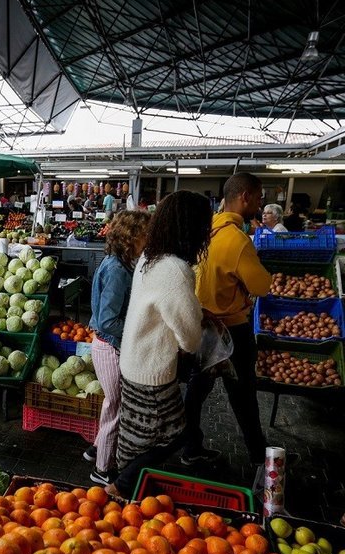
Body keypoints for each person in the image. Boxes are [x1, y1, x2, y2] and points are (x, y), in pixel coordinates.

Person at [105, 191, 213, 498]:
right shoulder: (175, 270)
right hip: (152, 370)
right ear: (192, 227)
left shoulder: (148, 258)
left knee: (137, 434)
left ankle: (121, 485)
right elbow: (190, 339)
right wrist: (198, 320)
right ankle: (119, 488)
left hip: (134, 360)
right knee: (171, 435)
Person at [182, 172, 272, 467]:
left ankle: (190, 447)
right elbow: (262, 286)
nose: (260, 204)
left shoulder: (208, 230)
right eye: (259, 198)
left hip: (204, 327)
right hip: (233, 331)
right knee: (243, 395)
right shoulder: (238, 240)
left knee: (195, 393)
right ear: (244, 196)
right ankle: (260, 458)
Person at [85, 210, 152, 486]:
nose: (148, 240)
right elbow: (108, 320)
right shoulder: (116, 271)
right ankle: (102, 470)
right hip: (109, 347)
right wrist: (139, 329)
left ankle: (95, 449)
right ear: (131, 237)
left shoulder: (118, 263)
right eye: (145, 235)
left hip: (104, 345)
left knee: (111, 404)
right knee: (116, 406)